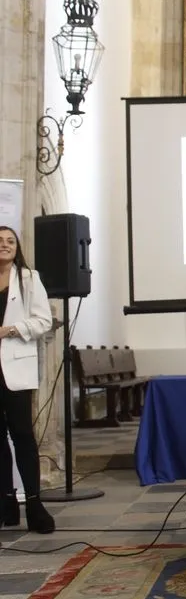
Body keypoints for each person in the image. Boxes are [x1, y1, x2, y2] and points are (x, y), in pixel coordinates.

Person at [0, 226, 55, 534]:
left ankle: (34, 504)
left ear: (17, 247)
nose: (5, 245)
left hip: (15, 368)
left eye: (10, 241)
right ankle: (6, 502)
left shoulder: (28, 278)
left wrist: (9, 330)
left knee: (22, 435)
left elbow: (44, 321)